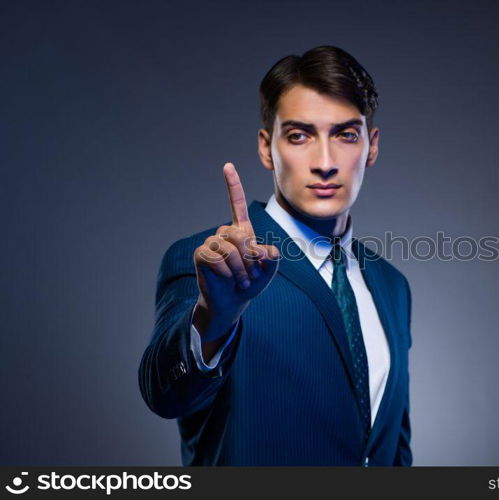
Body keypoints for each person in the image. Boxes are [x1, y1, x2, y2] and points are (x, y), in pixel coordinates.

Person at [138, 45, 413, 466]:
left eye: (346, 135)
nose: (325, 162)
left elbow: (392, 450)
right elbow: (165, 393)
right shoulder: (214, 264)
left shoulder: (392, 286)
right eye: (300, 136)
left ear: (371, 146)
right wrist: (215, 317)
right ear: (267, 148)